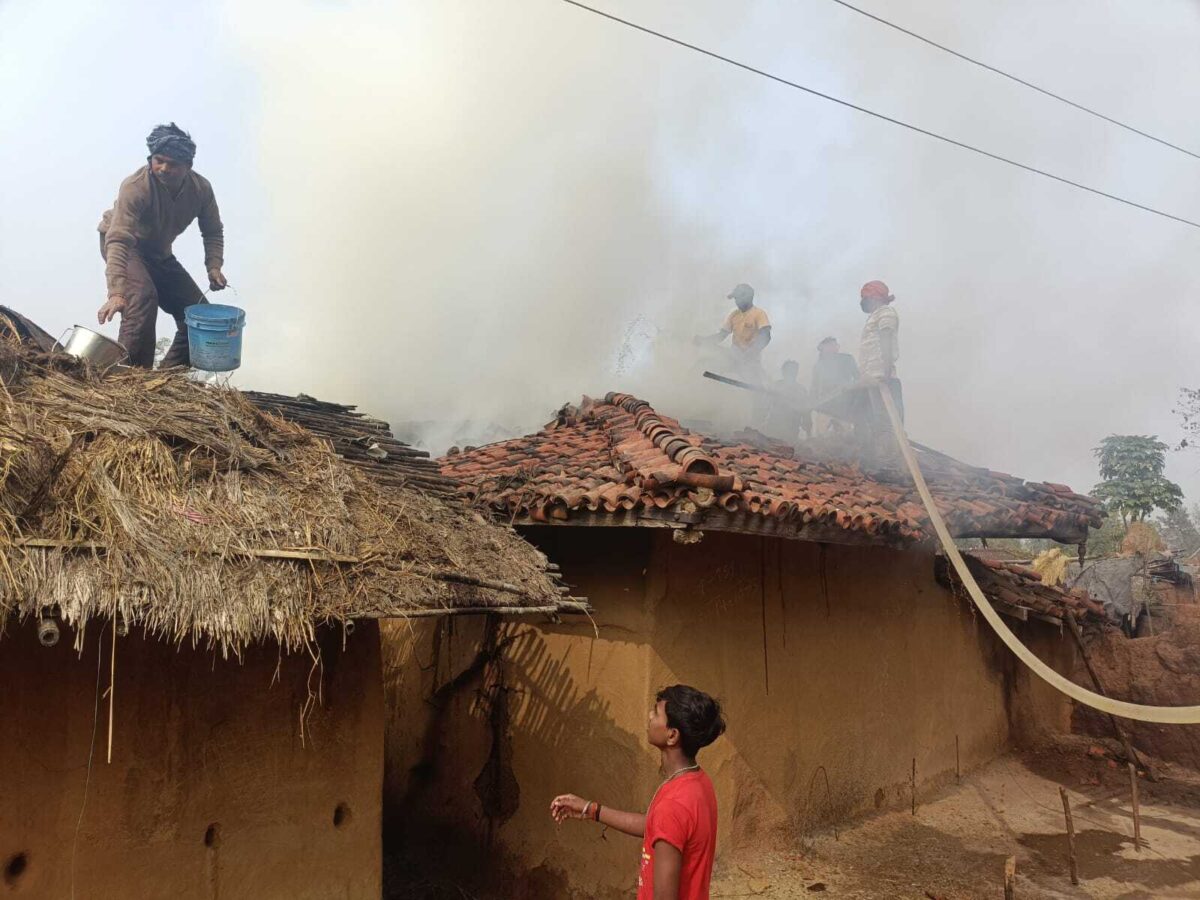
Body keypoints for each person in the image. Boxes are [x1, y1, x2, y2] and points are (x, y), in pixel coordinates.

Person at [551, 685, 726, 900]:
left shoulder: (673, 805)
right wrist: (591, 810)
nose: (650, 716)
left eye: (657, 713)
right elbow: (657, 826)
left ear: (672, 735)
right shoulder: (698, 783)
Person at [97, 123, 227, 368]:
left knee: (199, 317)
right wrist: (117, 293)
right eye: (159, 161)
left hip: (159, 253)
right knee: (142, 298)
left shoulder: (201, 190)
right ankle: (129, 376)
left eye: (173, 164)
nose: (164, 168)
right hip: (126, 245)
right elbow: (118, 239)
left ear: (188, 167)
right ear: (151, 159)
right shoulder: (136, 186)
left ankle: (166, 379)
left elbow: (212, 231)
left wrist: (214, 266)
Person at [855, 280, 904, 437]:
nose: (863, 301)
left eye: (865, 297)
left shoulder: (886, 312)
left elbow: (886, 339)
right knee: (879, 424)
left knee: (889, 426)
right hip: (873, 378)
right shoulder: (874, 316)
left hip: (882, 377)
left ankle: (890, 453)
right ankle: (883, 451)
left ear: (875, 297)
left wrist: (886, 372)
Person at [695, 283, 771, 382]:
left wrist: (750, 353)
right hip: (733, 356)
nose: (736, 301)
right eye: (735, 298)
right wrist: (704, 341)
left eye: (738, 298)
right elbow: (721, 335)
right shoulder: (734, 314)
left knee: (755, 384)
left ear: (747, 297)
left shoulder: (759, 314)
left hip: (750, 361)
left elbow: (766, 337)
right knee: (705, 363)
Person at [810, 337, 858, 435]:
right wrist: (813, 403)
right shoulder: (819, 365)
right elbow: (815, 386)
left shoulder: (847, 359)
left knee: (846, 434)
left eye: (835, 345)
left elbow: (857, 377)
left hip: (844, 405)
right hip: (825, 406)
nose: (833, 348)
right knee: (821, 434)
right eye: (830, 346)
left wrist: (851, 392)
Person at [763, 360, 812, 443]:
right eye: (789, 371)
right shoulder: (776, 386)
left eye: (793, 371)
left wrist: (808, 430)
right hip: (774, 426)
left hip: (792, 428)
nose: (791, 374)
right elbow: (766, 405)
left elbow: (806, 412)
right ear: (783, 372)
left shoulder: (801, 390)